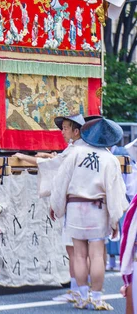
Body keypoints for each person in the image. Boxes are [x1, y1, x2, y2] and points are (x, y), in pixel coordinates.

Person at [50, 117, 128, 311]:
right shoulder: (110, 159)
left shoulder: (75, 153)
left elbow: (61, 182)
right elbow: (115, 192)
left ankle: (83, 296)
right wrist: (114, 218)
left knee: (78, 255)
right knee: (95, 255)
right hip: (97, 209)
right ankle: (98, 298)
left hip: (75, 208)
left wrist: (56, 205)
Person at [15, 112, 86, 304]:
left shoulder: (74, 150)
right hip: (88, 206)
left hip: (75, 205)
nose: (62, 132)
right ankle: (81, 290)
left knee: (75, 252)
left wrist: (23, 157)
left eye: (65, 128)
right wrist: (48, 155)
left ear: (76, 131)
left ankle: (79, 291)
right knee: (84, 251)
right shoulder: (83, 149)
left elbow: (53, 165)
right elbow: (57, 160)